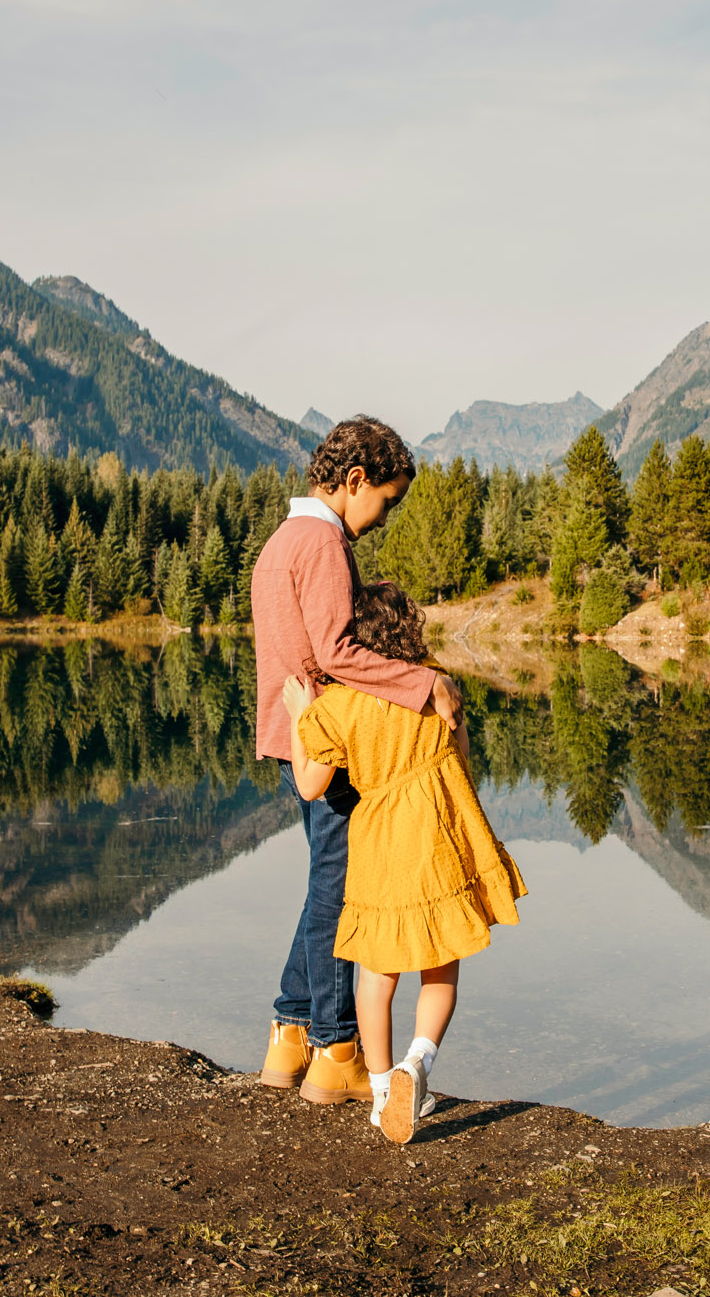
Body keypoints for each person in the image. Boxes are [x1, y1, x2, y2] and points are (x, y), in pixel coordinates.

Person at [249, 416, 464, 1105]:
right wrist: (424, 683)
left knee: (323, 884)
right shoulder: (322, 543)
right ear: (354, 481)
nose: (385, 516)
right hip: (329, 744)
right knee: (341, 896)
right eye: (387, 500)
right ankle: (336, 1046)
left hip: (299, 738)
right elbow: (338, 652)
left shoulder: (283, 540)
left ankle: (289, 1032)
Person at [282, 581, 527, 1144]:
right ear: (408, 631)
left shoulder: (340, 706)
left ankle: (379, 1088)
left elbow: (309, 784)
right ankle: (418, 1063)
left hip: (381, 843)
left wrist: (303, 715)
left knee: (376, 973)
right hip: (440, 835)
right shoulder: (436, 684)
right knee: (441, 964)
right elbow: (461, 755)